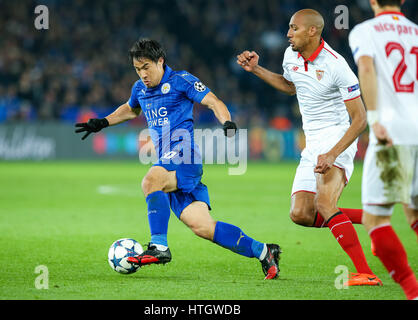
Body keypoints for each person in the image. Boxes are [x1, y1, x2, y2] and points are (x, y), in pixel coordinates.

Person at [75, 38, 281, 280]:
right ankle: (264, 251)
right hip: (170, 163)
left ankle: (159, 246)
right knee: (204, 227)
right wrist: (102, 122)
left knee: (150, 181)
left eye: (146, 67)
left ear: (160, 61)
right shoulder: (139, 89)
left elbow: (213, 101)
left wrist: (227, 122)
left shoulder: (180, 80)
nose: (143, 74)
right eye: (138, 69)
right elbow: (131, 109)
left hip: (185, 154)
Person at [237, 9, 382, 286]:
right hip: (313, 142)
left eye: (294, 28)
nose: (288, 34)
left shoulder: (337, 65)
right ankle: (373, 219)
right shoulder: (290, 56)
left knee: (326, 204)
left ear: (312, 31)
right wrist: (255, 69)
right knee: (301, 214)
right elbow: (290, 86)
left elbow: (360, 119)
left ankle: (366, 272)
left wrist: (333, 153)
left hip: (337, 137)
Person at [349, 0, 418, 300]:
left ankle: (413, 292)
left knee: (376, 220)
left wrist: (375, 120)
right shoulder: (415, 32)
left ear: (372, 1)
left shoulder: (365, 31)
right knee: (414, 210)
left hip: (391, 133)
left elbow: (366, 66)